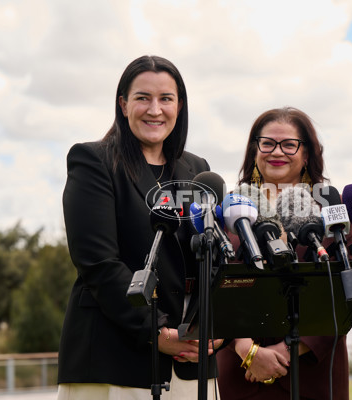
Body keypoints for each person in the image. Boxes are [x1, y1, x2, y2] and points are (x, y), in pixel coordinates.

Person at [57, 55, 221, 400]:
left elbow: (213, 257)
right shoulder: (93, 161)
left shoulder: (198, 169)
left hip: (191, 366)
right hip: (115, 361)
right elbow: (98, 264)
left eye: (166, 99)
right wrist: (158, 332)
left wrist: (218, 329)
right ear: (123, 104)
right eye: (143, 97)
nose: (155, 110)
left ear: (180, 106)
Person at [216, 107, 350, 400]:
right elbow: (213, 287)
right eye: (267, 143)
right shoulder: (227, 211)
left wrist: (286, 349)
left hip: (312, 374)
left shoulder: (331, 209)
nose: (277, 151)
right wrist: (246, 348)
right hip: (240, 373)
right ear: (255, 150)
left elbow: (346, 292)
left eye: (289, 144)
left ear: (307, 154)